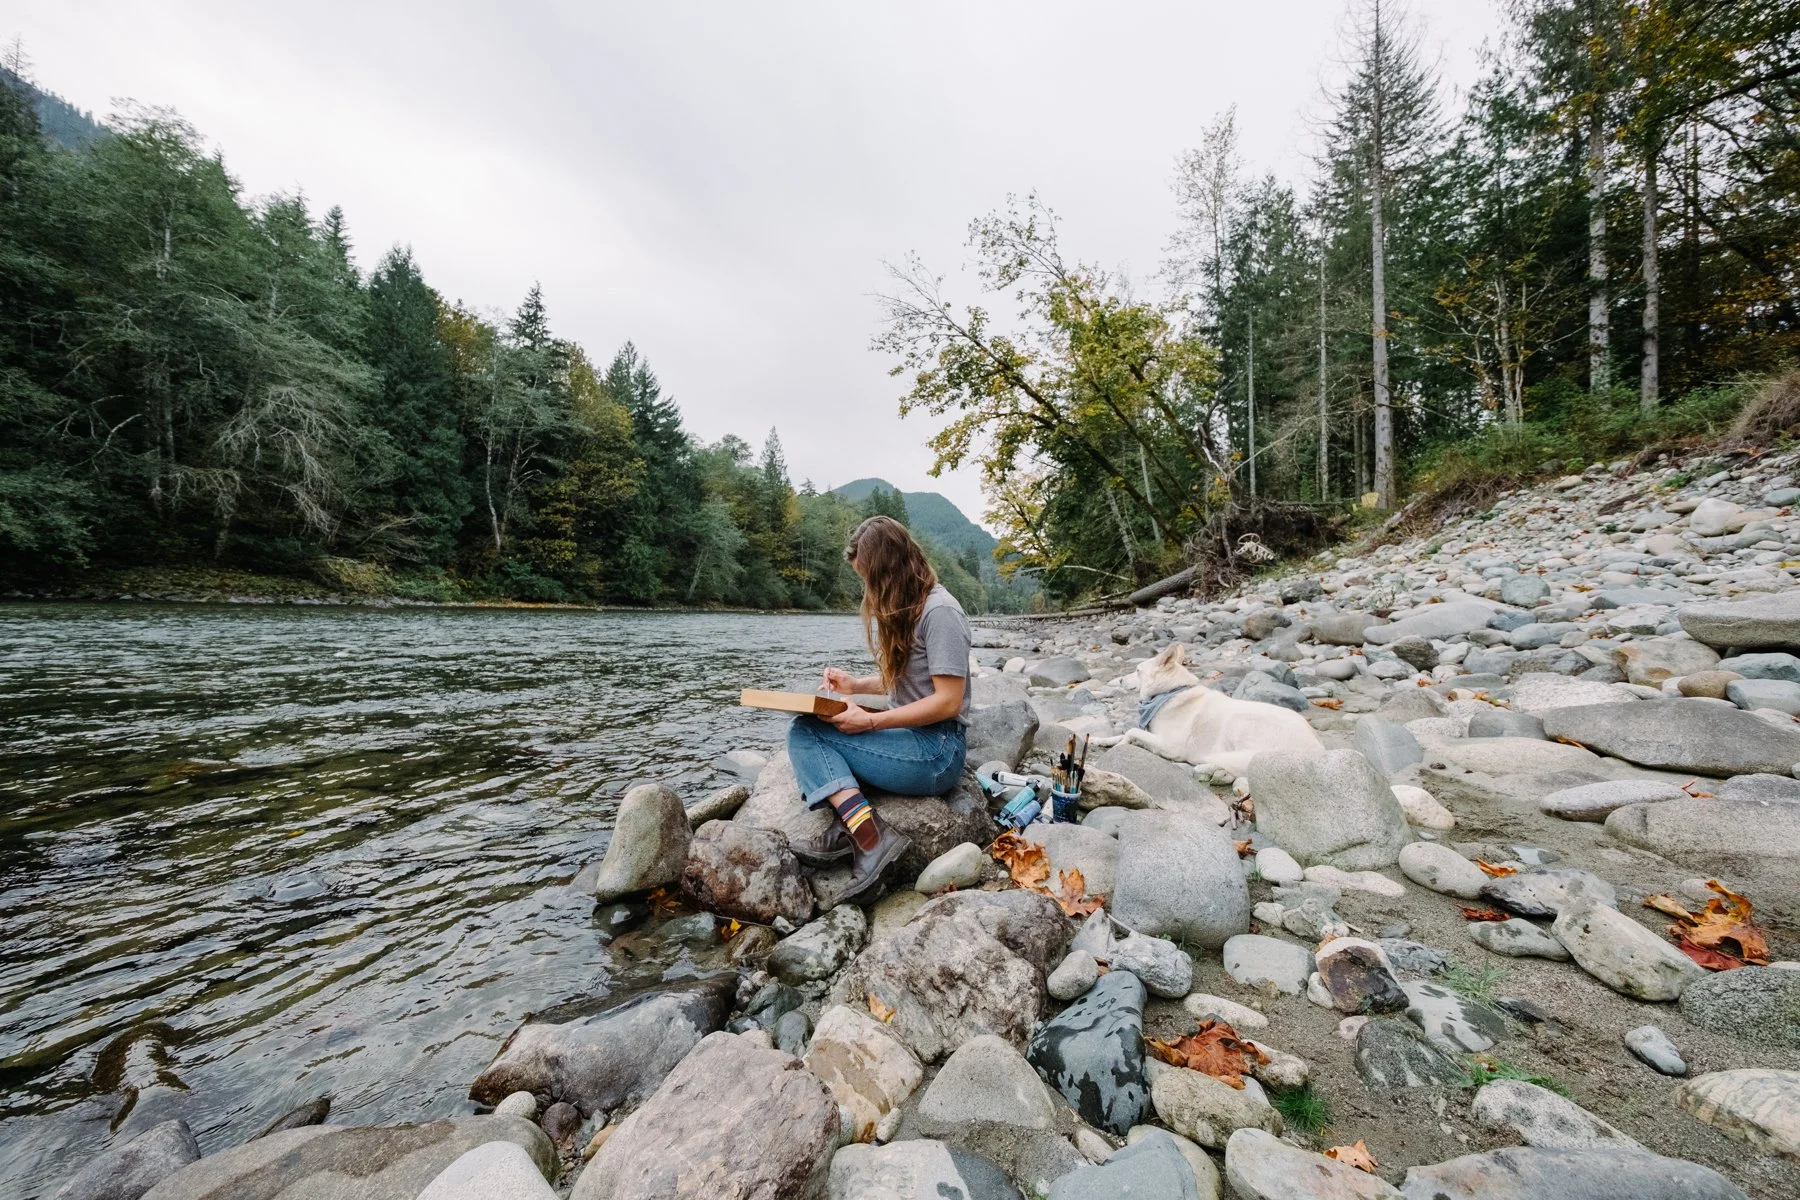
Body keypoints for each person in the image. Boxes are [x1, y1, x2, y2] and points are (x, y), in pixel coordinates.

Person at [786, 515, 972, 904]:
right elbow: (906, 680)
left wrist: (871, 721)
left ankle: (869, 836)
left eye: (869, 578)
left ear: (889, 571)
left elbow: (948, 700)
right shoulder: (911, 605)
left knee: (807, 734)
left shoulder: (941, 613)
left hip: (937, 751)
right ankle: (853, 825)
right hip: (913, 740)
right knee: (813, 723)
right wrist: (855, 686)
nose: (867, 589)